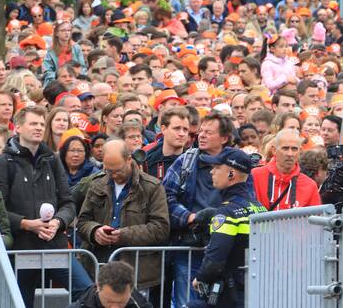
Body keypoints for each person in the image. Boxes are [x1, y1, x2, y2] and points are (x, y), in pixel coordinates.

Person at [0, 105, 92, 306]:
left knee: (88, 292)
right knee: (20, 303)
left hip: (54, 246)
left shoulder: (52, 159)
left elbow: (67, 202)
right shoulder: (2, 162)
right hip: (21, 249)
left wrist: (59, 222)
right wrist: (26, 224)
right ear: (18, 127)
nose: (38, 128)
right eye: (33, 123)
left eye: (42, 124)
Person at [77, 139, 169, 297]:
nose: (113, 175)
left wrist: (123, 235)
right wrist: (95, 231)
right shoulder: (97, 184)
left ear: (129, 159)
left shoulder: (152, 187)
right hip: (100, 268)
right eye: (108, 170)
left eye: (118, 170)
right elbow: (83, 221)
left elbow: (161, 228)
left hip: (136, 272)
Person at [162, 111, 231, 307]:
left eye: (209, 132)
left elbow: (245, 200)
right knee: (188, 303)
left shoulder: (236, 164)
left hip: (225, 250)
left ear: (224, 138)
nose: (201, 135)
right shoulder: (185, 161)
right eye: (201, 131)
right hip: (189, 249)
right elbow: (166, 198)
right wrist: (190, 218)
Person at [188, 147, 267, 308]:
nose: (211, 172)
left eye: (217, 167)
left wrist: (201, 277)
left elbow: (216, 257)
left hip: (230, 294)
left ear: (231, 174)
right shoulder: (260, 208)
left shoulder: (227, 212)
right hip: (257, 288)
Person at [251, 128, 321, 210]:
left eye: (294, 149)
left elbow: (314, 220)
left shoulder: (310, 186)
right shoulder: (255, 176)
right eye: (285, 148)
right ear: (274, 150)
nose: (290, 154)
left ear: (300, 151)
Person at [67, 260, 151, 308]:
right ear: (98, 287)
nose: (114, 307)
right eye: (109, 301)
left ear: (131, 291)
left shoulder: (141, 305)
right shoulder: (80, 306)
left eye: (121, 303)